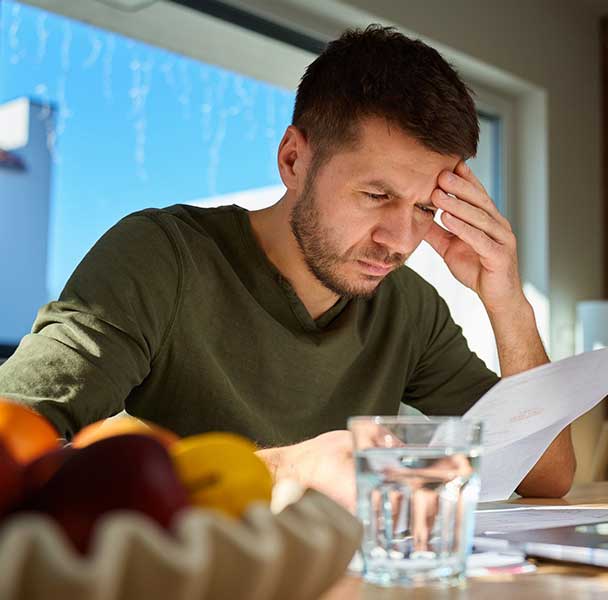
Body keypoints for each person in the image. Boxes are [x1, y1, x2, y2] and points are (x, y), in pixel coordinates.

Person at [0, 25, 574, 510]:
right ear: (293, 160)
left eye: (426, 207)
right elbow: (12, 449)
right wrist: (288, 469)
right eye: (376, 194)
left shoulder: (409, 306)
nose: (401, 240)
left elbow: (546, 475)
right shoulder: (160, 257)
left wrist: (506, 299)